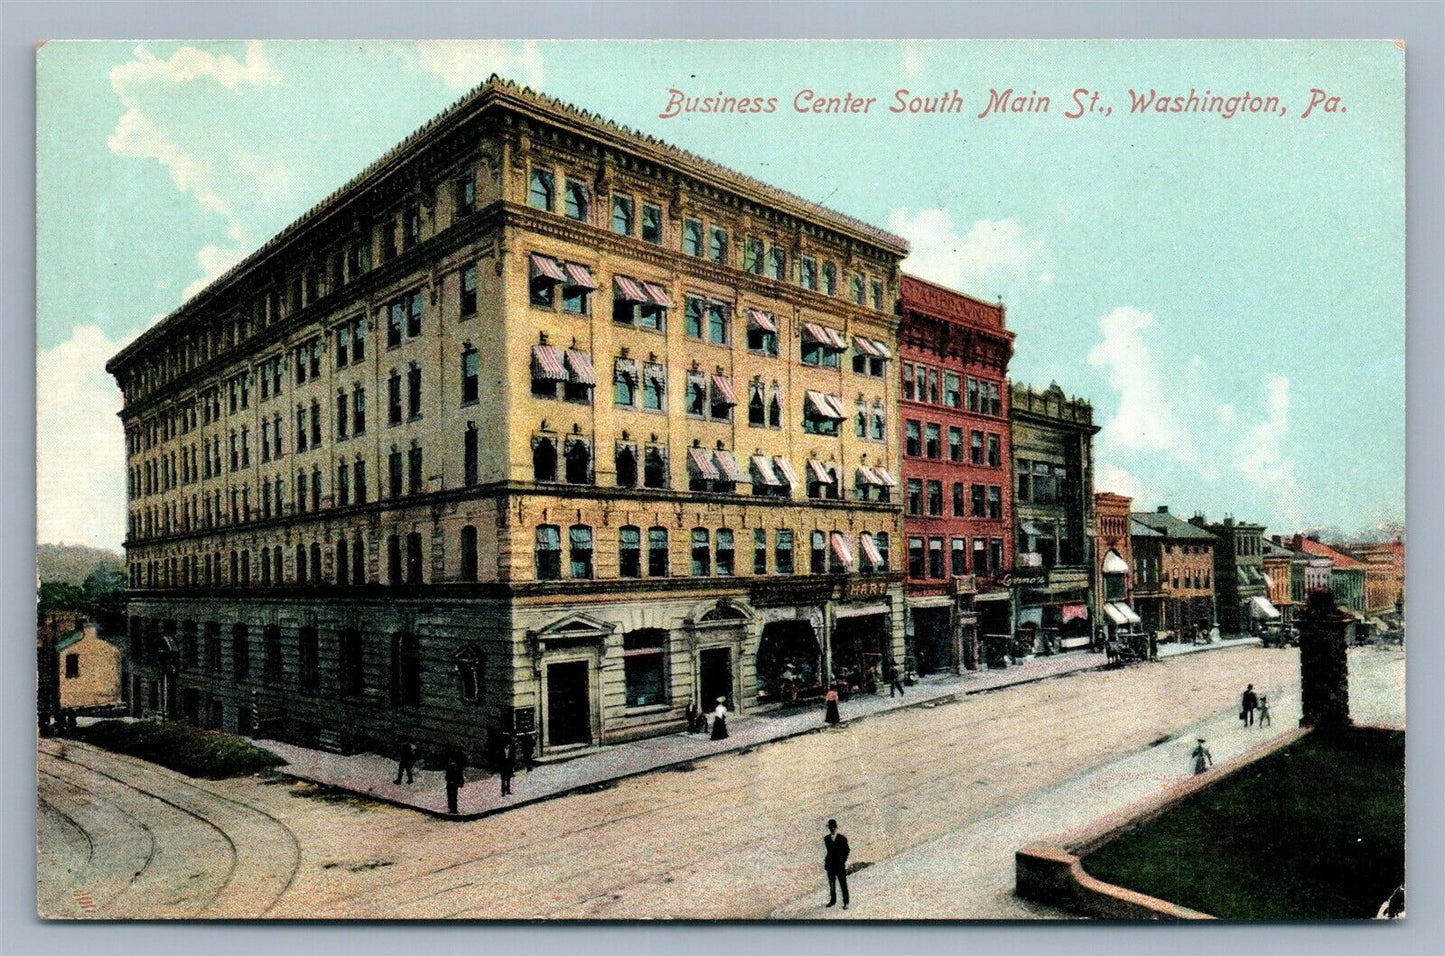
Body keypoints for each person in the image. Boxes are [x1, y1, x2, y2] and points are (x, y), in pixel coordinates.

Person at [823, 819, 851, 909]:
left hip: (839, 866)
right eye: (831, 828)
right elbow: (828, 852)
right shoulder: (826, 839)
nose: (832, 829)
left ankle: (846, 902)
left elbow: (847, 850)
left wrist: (842, 860)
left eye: (834, 827)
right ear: (829, 828)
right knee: (831, 884)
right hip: (830, 866)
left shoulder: (842, 838)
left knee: (843, 884)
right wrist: (827, 863)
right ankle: (833, 900)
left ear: (836, 827)